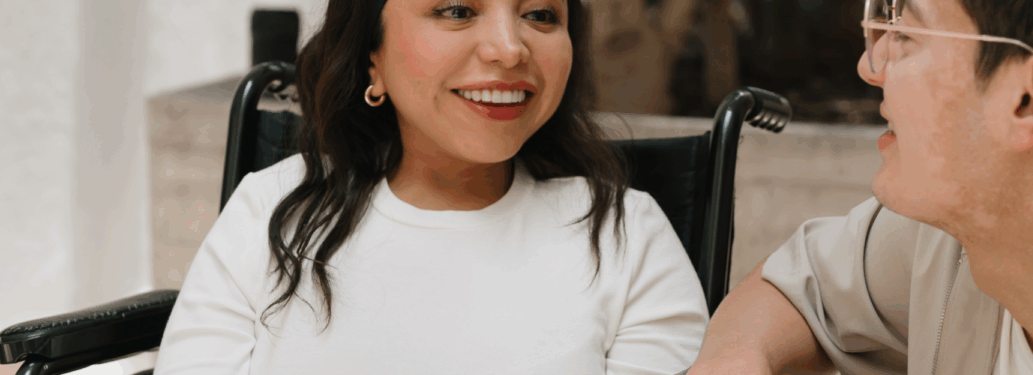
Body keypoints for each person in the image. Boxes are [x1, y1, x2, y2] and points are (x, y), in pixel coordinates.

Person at [153, 0, 709, 373]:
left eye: (540, 14)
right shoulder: (269, 210)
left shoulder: (626, 238)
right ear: (372, 58)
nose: (509, 50)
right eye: (458, 10)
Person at [686, 0, 1033, 374]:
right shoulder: (949, 236)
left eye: (906, 30)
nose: (870, 65)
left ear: (1031, 100)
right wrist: (735, 357)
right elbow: (799, 289)